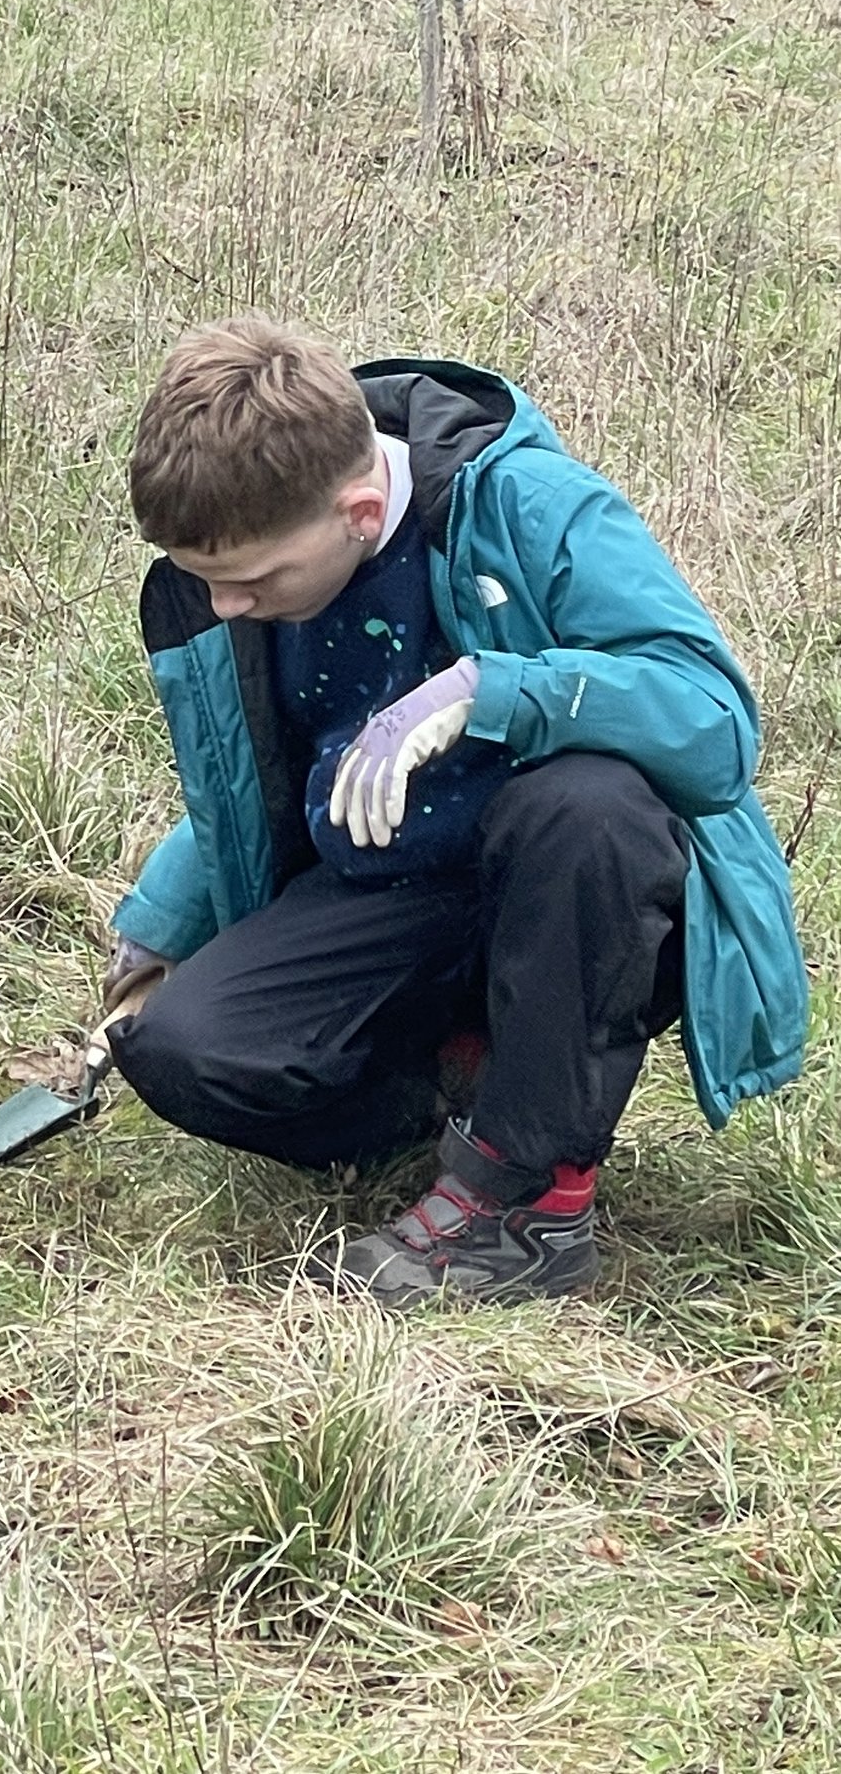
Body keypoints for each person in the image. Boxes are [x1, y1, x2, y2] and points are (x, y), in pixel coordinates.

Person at [101, 319, 807, 1305]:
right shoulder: (252, 575)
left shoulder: (529, 506)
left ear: (355, 511)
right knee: (183, 1051)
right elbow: (271, 761)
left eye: (250, 581)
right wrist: (158, 921)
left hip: (573, 888)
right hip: (393, 886)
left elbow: (715, 725)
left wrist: (491, 690)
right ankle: (458, 1102)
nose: (222, 606)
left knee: (588, 806)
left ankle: (525, 1207)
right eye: (202, 579)